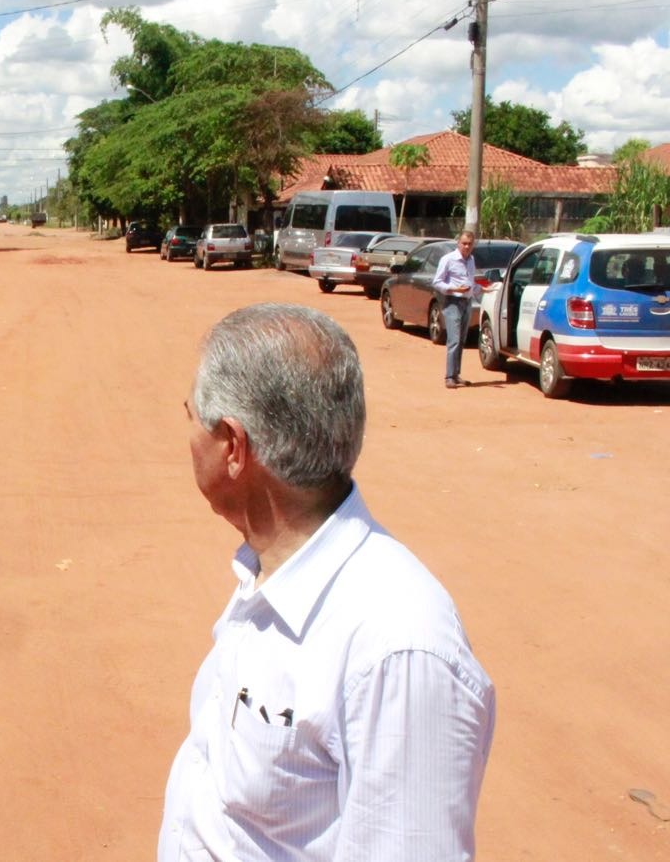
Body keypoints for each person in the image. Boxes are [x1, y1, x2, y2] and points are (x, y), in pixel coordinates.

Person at [159, 303, 495, 861]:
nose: (188, 434)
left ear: (235, 448)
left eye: (192, 415)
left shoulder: (400, 648)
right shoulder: (270, 569)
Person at [434, 230, 480, 388]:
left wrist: (480, 289)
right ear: (458, 243)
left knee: (461, 340)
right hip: (453, 302)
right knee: (453, 340)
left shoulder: (471, 260)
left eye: (469, 244)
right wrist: (454, 289)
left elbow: (470, 284)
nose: (466, 247)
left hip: (467, 302)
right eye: (464, 243)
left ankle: (456, 374)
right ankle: (448, 377)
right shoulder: (448, 259)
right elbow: (437, 282)